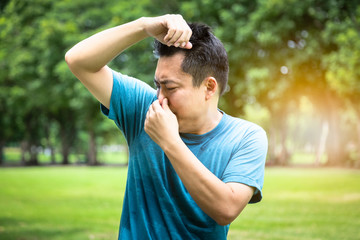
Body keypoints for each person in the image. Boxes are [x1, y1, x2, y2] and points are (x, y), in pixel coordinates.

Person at [65, 14, 268, 240]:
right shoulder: (144, 107)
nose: (160, 98)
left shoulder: (246, 137)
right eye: (157, 85)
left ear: (209, 87)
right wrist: (143, 26)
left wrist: (170, 142)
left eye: (170, 87)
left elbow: (226, 209)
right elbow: (78, 61)